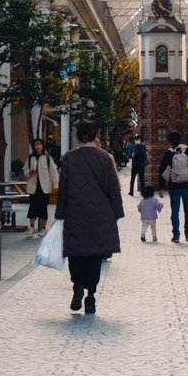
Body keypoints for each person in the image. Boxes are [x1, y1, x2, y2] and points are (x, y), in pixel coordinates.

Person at [55, 118, 124, 315]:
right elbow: (113, 189)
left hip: (75, 213)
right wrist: (116, 214)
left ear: (77, 135)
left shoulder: (69, 158)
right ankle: (91, 297)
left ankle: (77, 283)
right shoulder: (105, 158)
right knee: (95, 256)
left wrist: (60, 213)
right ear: (96, 136)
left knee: (75, 252)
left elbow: (63, 189)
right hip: (100, 215)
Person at [158, 130, 188, 242]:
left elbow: (162, 170)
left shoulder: (169, 153)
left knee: (175, 211)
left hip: (174, 185)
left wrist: (161, 187)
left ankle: (176, 234)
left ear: (170, 140)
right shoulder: (187, 151)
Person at [22, 137, 59, 238]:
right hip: (33, 186)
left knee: (43, 207)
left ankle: (43, 228)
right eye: (36, 145)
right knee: (32, 206)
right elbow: (25, 171)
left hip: (44, 186)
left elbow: (53, 172)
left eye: (40, 144)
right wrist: (29, 172)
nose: (38, 146)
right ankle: (32, 227)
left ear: (42, 146)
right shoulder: (30, 158)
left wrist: (56, 185)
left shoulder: (47, 158)